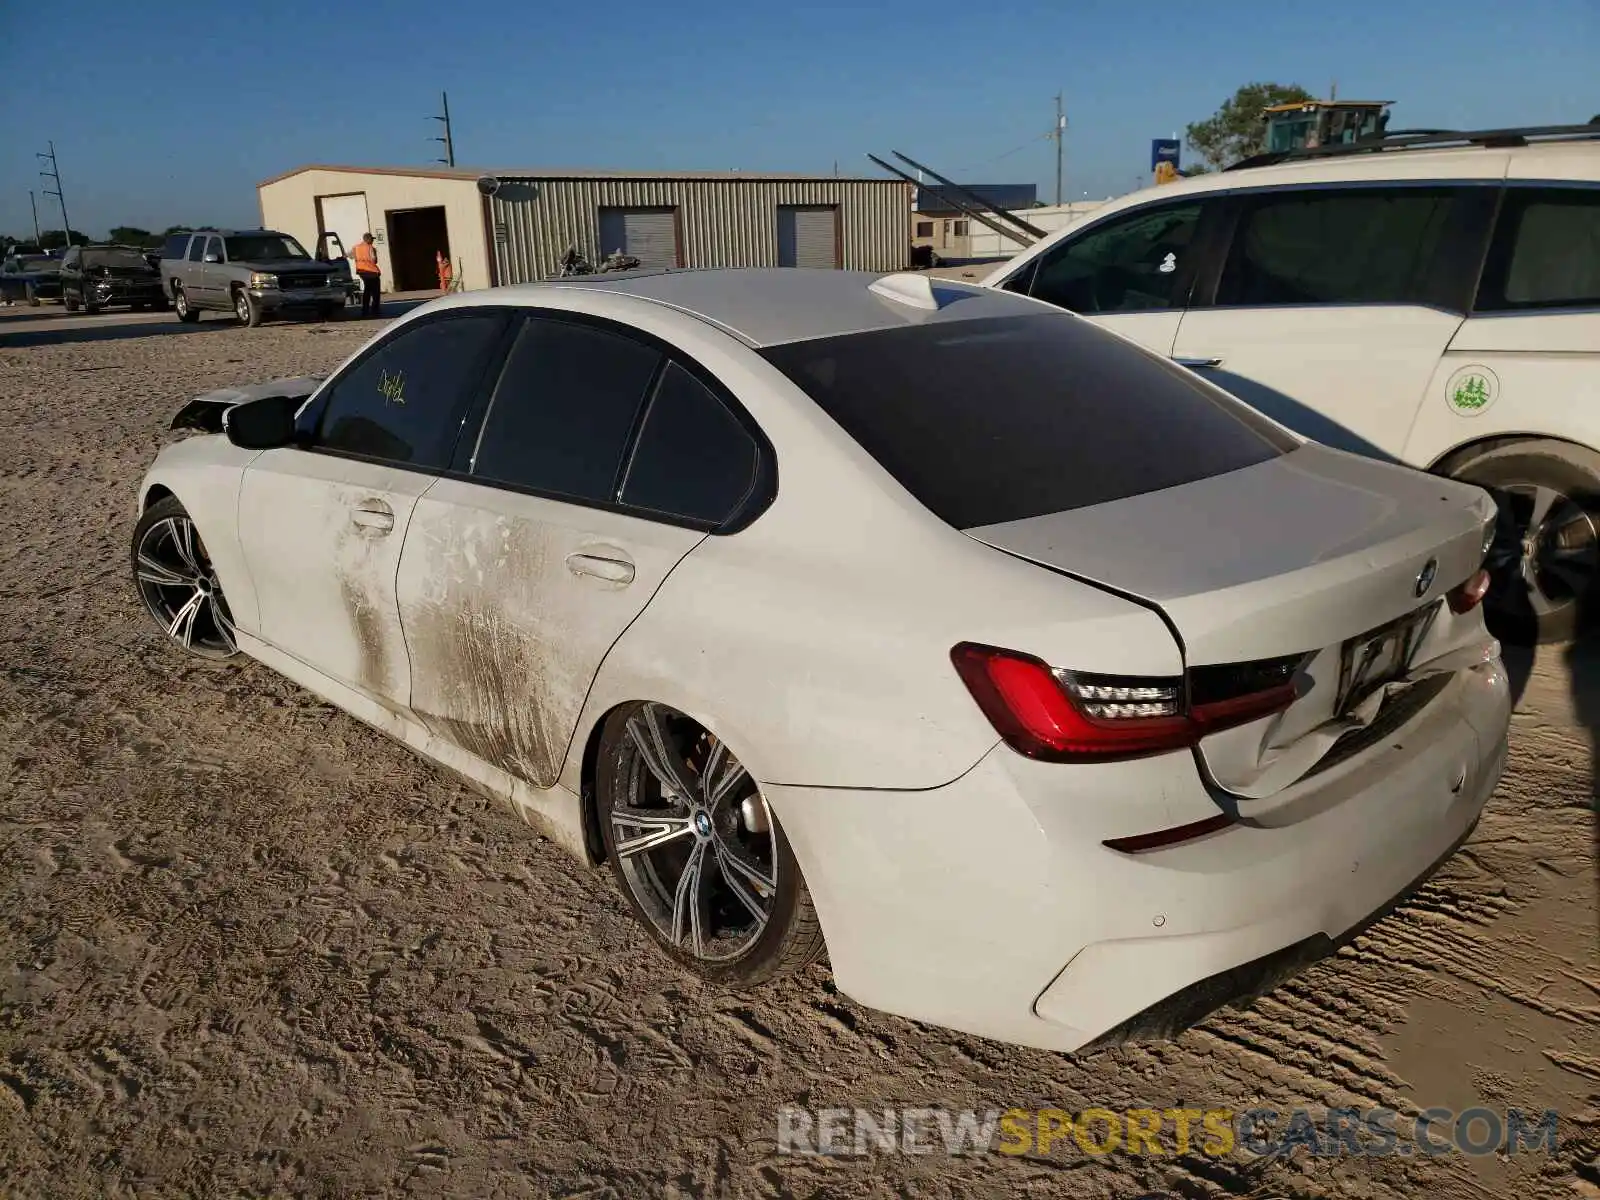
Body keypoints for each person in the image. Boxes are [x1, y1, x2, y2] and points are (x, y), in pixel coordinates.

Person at [353, 232, 381, 317]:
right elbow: (374, 260)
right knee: (375, 292)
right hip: (371, 272)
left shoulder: (356, 248)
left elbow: (348, 255)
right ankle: (375, 310)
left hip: (362, 272)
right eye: (372, 239)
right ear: (368, 239)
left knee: (367, 290)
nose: (372, 241)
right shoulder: (370, 248)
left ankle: (365, 310)